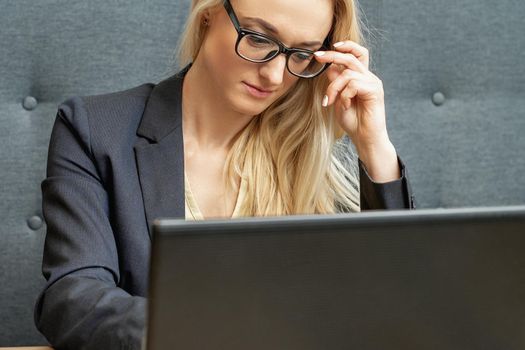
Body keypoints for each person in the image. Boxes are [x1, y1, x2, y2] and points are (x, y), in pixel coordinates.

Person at [34, 0, 415, 348]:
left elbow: (399, 304)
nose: (275, 75)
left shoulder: (306, 156)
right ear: (208, 16)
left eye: (301, 54)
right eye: (258, 38)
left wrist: (374, 147)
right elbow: (73, 297)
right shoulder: (95, 129)